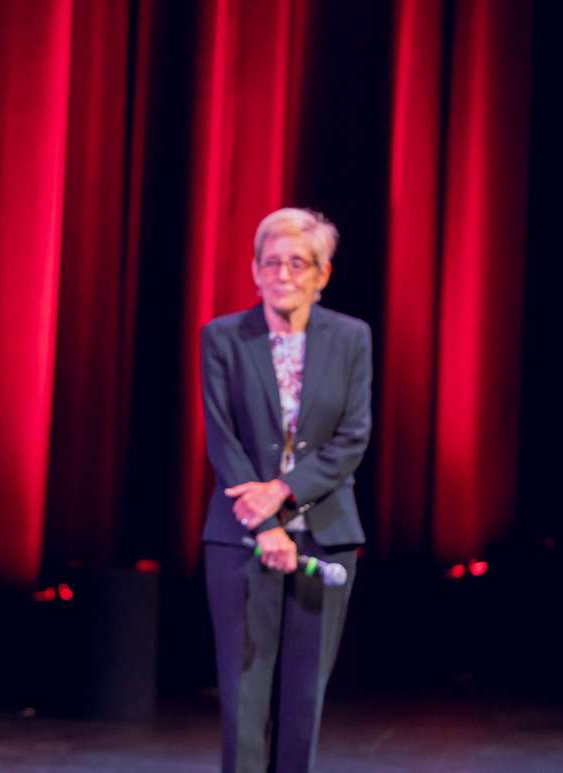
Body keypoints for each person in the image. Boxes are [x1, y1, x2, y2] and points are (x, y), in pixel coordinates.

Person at [200, 208, 371, 772]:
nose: (283, 274)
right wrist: (266, 523)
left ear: (321, 274)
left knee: (303, 701)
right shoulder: (223, 337)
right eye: (271, 262)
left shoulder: (351, 338)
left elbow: (352, 438)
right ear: (255, 270)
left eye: (298, 263)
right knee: (244, 701)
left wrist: (282, 492)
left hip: (327, 535)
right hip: (241, 538)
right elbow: (223, 440)